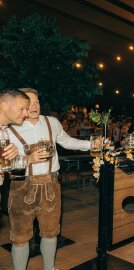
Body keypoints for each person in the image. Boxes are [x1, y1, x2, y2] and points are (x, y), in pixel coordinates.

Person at [7, 88, 91, 270]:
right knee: (20, 237)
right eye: (29, 103)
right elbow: (6, 163)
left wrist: (91, 144)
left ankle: (49, 268)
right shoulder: (9, 128)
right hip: (23, 185)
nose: (34, 107)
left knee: (51, 232)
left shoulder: (51, 122)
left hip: (51, 184)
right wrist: (28, 159)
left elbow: (68, 142)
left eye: (37, 102)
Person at [0, 88, 29, 212]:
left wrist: (9, 159)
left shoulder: (3, 131)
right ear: (4, 106)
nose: (26, 114)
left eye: (26, 109)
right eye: (22, 109)